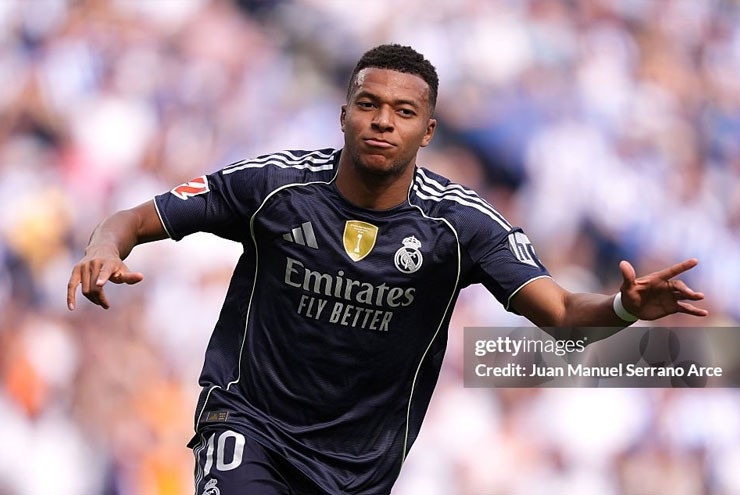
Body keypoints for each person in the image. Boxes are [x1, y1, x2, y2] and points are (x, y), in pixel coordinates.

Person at [67, 44, 707, 495]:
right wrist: (104, 246)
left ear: (428, 130)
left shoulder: (460, 226)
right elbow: (136, 217)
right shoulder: (275, 187)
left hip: (357, 470)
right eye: (368, 104)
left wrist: (624, 308)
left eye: (403, 112)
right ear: (343, 113)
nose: (382, 121)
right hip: (248, 423)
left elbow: (563, 315)